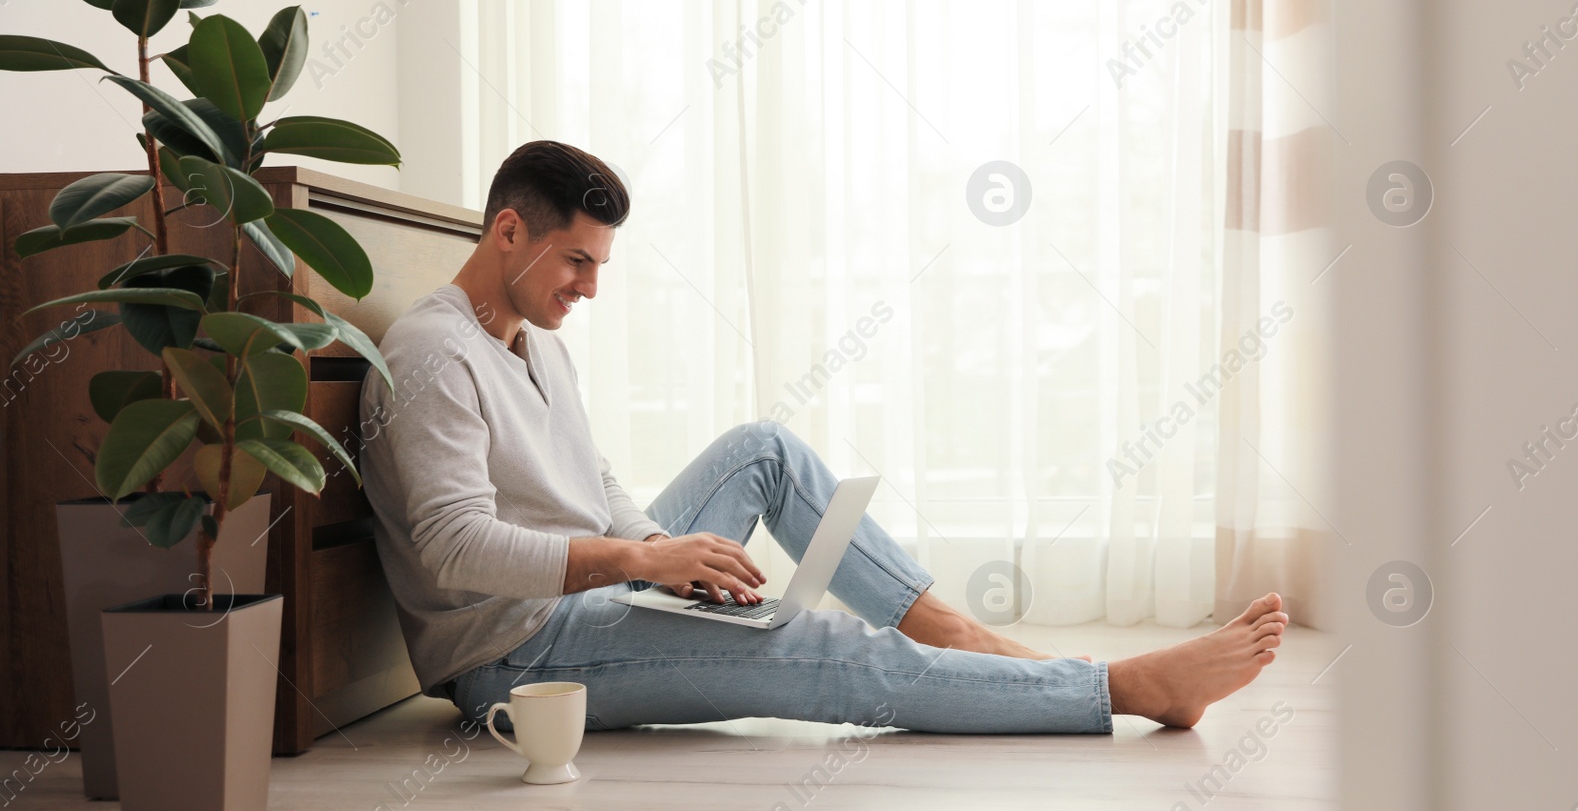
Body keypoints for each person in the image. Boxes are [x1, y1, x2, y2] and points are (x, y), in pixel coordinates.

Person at [359, 140, 1288, 736]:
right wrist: (637, 559)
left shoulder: (532, 341)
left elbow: (590, 480)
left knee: (762, 448)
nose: (589, 289)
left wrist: (657, 556)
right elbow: (456, 547)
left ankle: (955, 633)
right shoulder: (437, 355)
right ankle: (1121, 689)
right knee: (828, 651)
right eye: (576, 262)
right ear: (509, 231)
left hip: (584, 591)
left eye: (599, 266)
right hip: (515, 653)